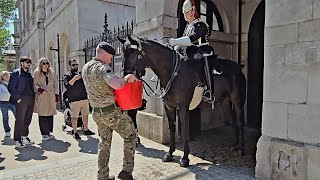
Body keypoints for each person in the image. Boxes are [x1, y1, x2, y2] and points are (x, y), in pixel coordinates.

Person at [82, 42, 138, 180]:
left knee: (104, 143)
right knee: (131, 135)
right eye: (111, 57)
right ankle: (126, 172)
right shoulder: (103, 68)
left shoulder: (86, 67)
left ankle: (102, 176)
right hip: (110, 113)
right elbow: (117, 84)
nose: (111, 60)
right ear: (105, 54)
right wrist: (126, 78)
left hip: (96, 112)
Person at [169, 0, 220, 103]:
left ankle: (209, 91)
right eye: (184, 13)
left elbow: (192, 39)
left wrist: (175, 41)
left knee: (198, 59)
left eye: (187, 12)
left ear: (193, 11)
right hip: (191, 50)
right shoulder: (188, 27)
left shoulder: (200, 24)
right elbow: (183, 42)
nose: (185, 15)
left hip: (203, 49)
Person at [63, 59, 95, 139]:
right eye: (73, 65)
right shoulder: (67, 75)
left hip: (84, 98)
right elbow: (67, 86)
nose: (75, 66)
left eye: (76, 64)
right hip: (74, 100)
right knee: (74, 117)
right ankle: (75, 132)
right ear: (70, 66)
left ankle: (86, 129)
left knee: (85, 115)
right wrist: (74, 79)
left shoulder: (81, 74)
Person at [8, 56, 35, 148]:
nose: (29, 64)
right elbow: (11, 87)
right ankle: (17, 140)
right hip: (21, 100)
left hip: (30, 99)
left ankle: (24, 137)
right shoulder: (16, 73)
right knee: (20, 120)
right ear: (21, 63)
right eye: (27, 62)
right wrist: (18, 98)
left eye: (30, 62)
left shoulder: (29, 74)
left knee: (27, 119)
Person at [33, 57, 59, 141]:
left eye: (47, 63)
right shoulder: (36, 73)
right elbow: (34, 84)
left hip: (51, 95)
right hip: (42, 96)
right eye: (43, 63)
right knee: (43, 114)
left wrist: (56, 94)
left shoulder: (52, 72)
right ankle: (44, 133)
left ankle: (49, 132)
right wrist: (39, 89)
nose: (45, 65)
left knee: (50, 114)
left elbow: (56, 83)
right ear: (40, 64)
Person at [0, 71, 16, 138]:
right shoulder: (0, 85)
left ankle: (19, 130)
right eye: (5, 75)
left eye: (8, 75)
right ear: (2, 77)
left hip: (12, 102)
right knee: (5, 118)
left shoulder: (12, 83)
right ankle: (7, 131)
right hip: (3, 103)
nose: (7, 76)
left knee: (18, 116)